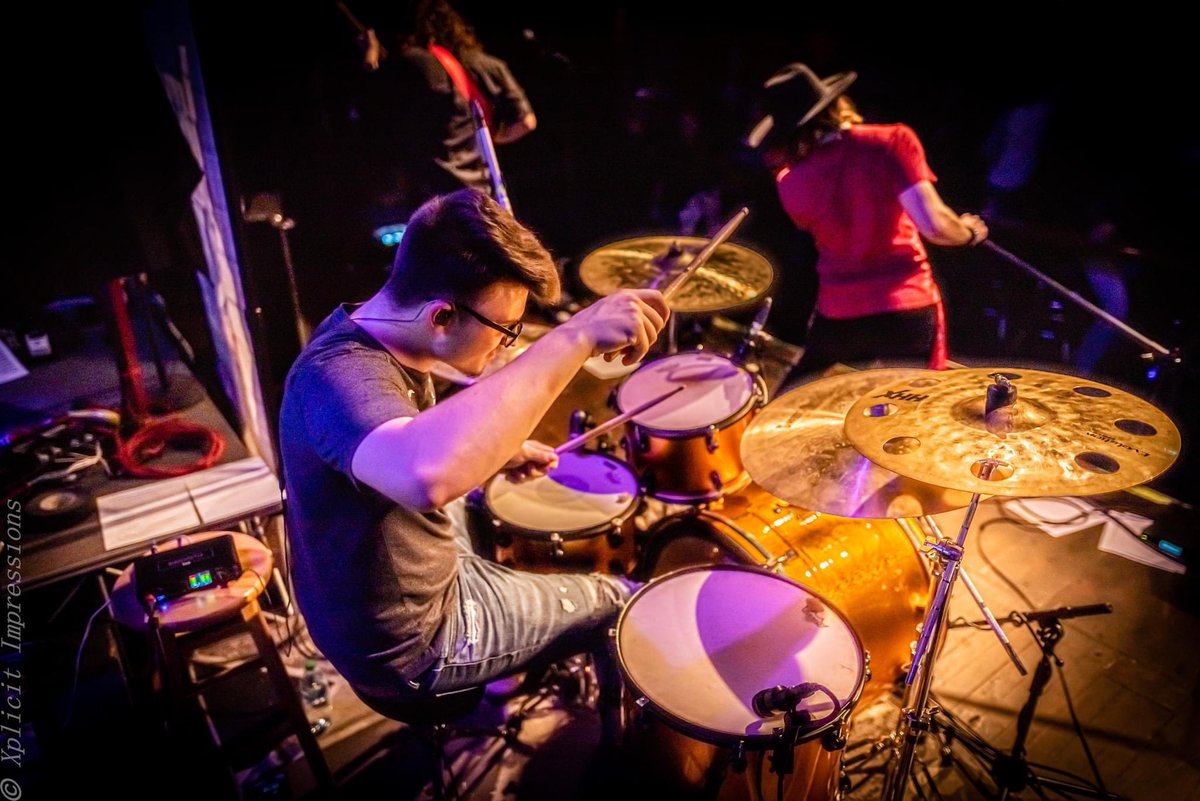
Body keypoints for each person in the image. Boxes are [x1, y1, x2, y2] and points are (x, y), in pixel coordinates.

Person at [277, 188, 668, 743]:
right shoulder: (340, 379)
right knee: (615, 602)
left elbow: (402, 442)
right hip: (409, 643)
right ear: (441, 316)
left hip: (377, 595)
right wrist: (574, 336)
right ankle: (625, 762)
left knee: (484, 508)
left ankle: (511, 659)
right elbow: (425, 475)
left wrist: (501, 453)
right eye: (507, 331)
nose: (509, 346)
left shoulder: (376, 332)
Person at [746, 63, 989, 386]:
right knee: (911, 413)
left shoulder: (790, 182)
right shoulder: (891, 142)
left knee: (796, 404)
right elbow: (935, 226)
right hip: (905, 307)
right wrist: (969, 231)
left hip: (839, 317)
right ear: (836, 104)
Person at [353, 0, 537, 222]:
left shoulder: (415, 63)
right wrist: (490, 140)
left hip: (438, 196)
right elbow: (527, 121)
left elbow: (371, 112)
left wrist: (370, 59)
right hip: (489, 193)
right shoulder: (489, 65)